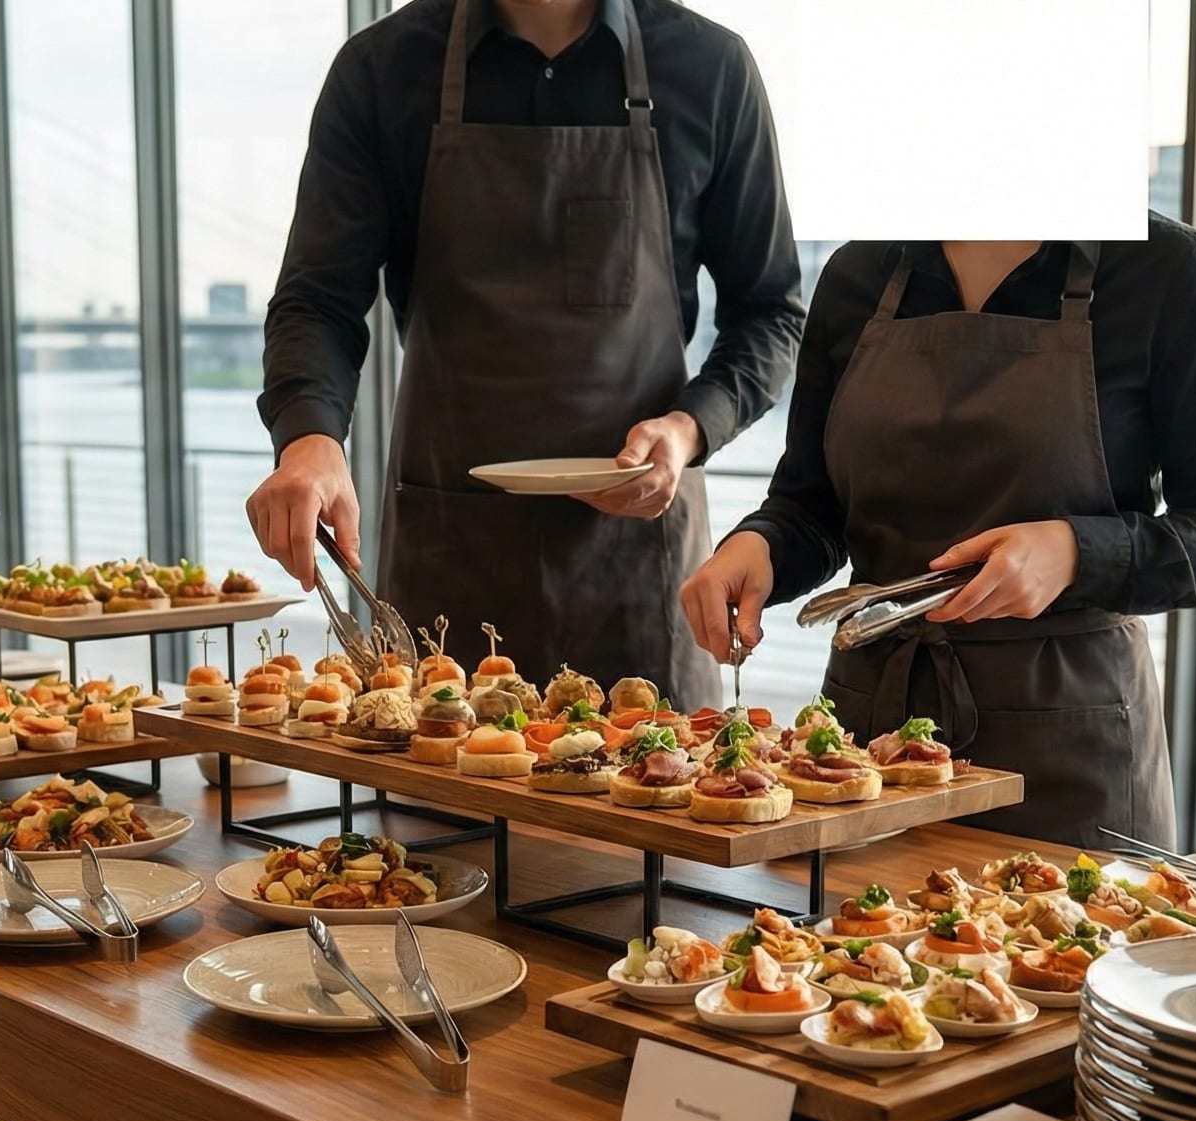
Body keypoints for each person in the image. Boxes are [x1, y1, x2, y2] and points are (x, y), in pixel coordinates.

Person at [247, 0, 803, 707]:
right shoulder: (382, 68)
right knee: (437, 774)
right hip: (451, 554)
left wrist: (689, 429)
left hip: (639, 568)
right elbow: (317, 299)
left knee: (659, 768)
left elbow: (771, 312)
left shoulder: (711, 68)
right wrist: (310, 441)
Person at [679, 222, 1196, 846]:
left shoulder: (1168, 269)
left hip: (1070, 754)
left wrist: (1076, 553)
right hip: (861, 752)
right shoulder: (858, 273)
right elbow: (810, 506)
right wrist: (759, 547)